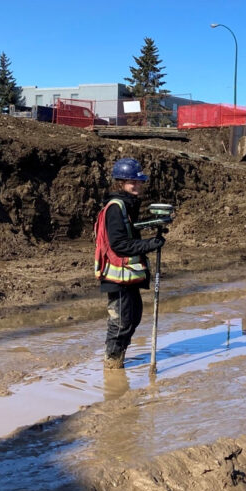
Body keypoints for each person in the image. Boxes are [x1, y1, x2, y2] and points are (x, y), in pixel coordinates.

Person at [93, 157, 165, 368]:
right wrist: (150, 245)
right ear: (120, 183)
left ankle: (118, 360)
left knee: (133, 318)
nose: (138, 185)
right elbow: (120, 245)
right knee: (121, 322)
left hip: (128, 276)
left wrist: (154, 225)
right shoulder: (116, 207)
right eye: (133, 182)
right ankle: (112, 365)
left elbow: (129, 232)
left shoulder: (127, 205)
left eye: (139, 181)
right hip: (118, 277)